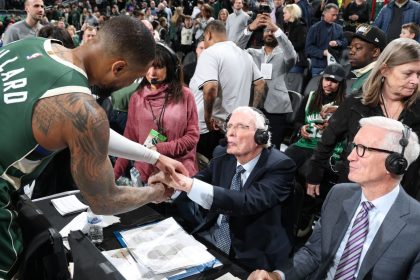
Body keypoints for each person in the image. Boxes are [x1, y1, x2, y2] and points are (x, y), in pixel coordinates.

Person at [0, 16, 187, 279]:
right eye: (133, 78)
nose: (131, 85)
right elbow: (103, 200)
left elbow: (90, 131)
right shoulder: (84, 110)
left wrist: (154, 156)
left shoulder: (30, 45)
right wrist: (156, 192)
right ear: (118, 68)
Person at [248, 116, 420, 280]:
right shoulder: (339, 194)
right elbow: (313, 253)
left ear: (395, 162)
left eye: (362, 149)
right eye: (353, 147)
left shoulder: (416, 224)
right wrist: (277, 276)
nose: (350, 157)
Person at [149, 106, 296, 271]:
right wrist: (170, 189)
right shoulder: (222, 154)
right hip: (210, 236)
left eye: (241, 126)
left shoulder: (281, 166)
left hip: (250, 252)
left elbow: (246, 202)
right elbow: (199, 181)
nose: (231, 133)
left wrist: (184, 183)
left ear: (261, 136)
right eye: (230, 126)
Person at [306, 38, 420, 201]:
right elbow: (327, 140)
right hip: (354, 192)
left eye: (419, 74)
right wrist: (314, 175)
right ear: (385, 70)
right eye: (408, 73)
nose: (415, 81)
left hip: (401, 196)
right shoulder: (356, 103)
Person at [114, 44, 199, 183]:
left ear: (170, 68)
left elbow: (192, 137)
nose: (152, 72)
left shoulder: (185, 95)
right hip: (145, 176)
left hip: (179, 174)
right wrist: (114, 175)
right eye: (149, 66)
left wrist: (158, 149)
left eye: (158, 67)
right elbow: (130, 140)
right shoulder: (137, 97)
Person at [285, 63, 347, 236]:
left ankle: (305, 213)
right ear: (321, 79)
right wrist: (301, 128)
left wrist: (332, 128)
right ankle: (284, 203)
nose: (329, 84)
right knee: (282, 163)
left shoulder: (344, 104)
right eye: (327, 79)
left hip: (328, 149)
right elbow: (297, 121)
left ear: (340, 85)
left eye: (335, 82)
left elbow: (347, 133)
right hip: (305, 144)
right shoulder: (310, 96)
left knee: (310, 171)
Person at [190, 20, 265, 160]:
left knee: (208, 171)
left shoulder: (210, 53)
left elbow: (211, 88)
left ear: (209, 35)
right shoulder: (245, 55)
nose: (204, 45)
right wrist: (250, 111)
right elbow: (260, 83)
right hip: (237, 126)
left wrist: (207, 118)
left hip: (213, 129)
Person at [239, 14, 297, 148]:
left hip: (276, 107)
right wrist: (250, 28)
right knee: (252, 145)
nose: (269, 33)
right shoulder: (252, 53)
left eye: (272, 31)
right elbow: (235, 49)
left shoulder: (284, 55)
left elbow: (292, 55)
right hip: (254, 105)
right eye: (267, 31)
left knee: (272, 147)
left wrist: (276, 29)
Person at [305, 3, 347, 76]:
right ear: (325, 13)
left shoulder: (339, 28)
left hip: (335, 65)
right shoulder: (314, 28)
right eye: (333, 15)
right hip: (318, 66)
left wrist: (337, 42)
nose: (335, 17)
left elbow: (345, 42)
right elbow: (308, 48)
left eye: (336, 15)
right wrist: (323, 52)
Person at [346, 24, 387, 94]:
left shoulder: (378, 79)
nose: (351, 52)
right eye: (350, 48)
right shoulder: (359, 73)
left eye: (358, 48)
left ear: (375, 52)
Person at [282, 3, 308, 73]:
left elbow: (301, 44)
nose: (283, 15)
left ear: (291, 13)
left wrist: (286, 47)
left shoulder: (301, 26)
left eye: (285, 13)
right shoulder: (287, 26)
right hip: (287, 60)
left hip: (298, 61)